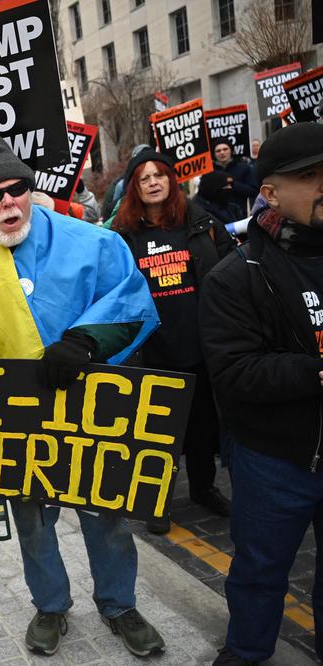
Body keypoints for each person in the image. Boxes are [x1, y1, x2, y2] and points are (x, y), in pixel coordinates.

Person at [0, 130, 163, 658]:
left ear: (29, 188)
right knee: (30, 519)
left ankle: (119, 604)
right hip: (9, 417)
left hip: (88, 407)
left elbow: (131, 299)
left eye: (17, 189)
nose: (8, 202)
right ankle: (51, 606)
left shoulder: (91, 241)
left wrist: (85, 339)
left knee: (106, 512)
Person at [201, 122, 323, 665]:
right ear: (270, 193)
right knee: (259, 570)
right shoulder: (236, 275)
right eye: (311, 176)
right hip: (275, 458)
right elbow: (235, 373)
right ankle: (247, 652)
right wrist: (315, 373)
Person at [112, 150, 235, 531]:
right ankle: (157, 502)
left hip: (199, 344)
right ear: (134, 187)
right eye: (144, 177)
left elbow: (228, 267)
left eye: (159, 175)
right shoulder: (122, 235)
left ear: (171, 180)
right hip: (152, 349)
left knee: (201, 426)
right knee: (157, 433)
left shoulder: (199, 222)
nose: (152, 182)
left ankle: (203, 488)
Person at [213, 141, 258, 214]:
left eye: (225, 149)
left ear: (231, 151)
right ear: (214, 154)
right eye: (218, 151)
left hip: (239, 215)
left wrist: (233, 184)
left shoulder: (244, 168)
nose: (222, 152)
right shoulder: (210, 172)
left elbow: (253, 191)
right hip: (216, 215)